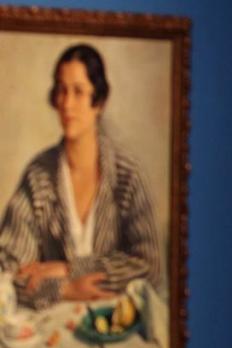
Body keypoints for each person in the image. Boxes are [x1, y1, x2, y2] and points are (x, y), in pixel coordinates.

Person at [0, 43, 161, 310]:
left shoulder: (128, 176)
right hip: (51, 323)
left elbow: (150, 267)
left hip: (118, 320)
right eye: (61, 90)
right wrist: (65, 290)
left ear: (99, 102)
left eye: (78, 91)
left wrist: (69, 268)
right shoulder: (39, 176)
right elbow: (8, 272)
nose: (66, 104)